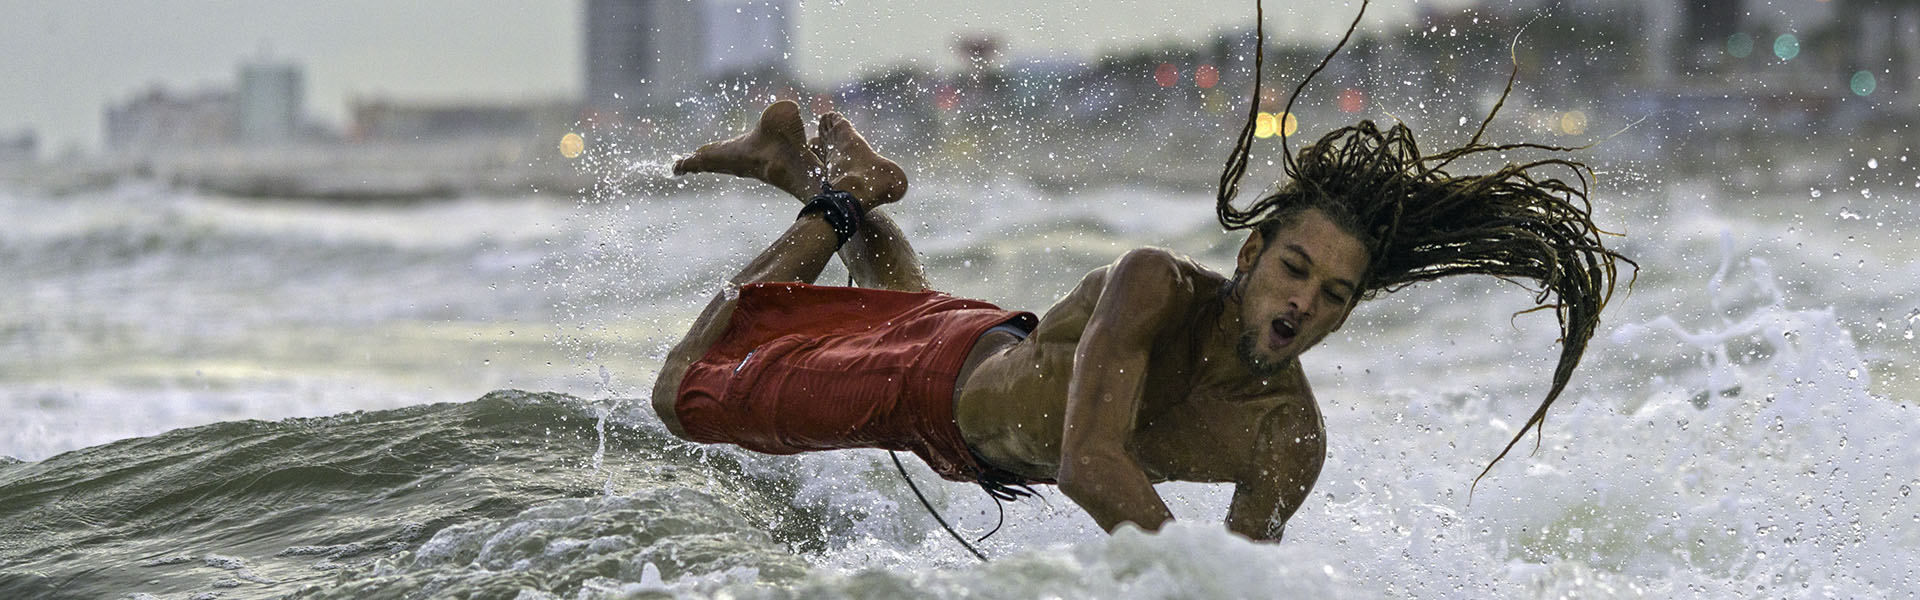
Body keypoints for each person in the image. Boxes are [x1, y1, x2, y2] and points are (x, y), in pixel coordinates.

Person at [649, 93, 1626, 542]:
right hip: (934, 387)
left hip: (980, 387)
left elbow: (1244, 563)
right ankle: (837, 197)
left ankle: (804, 164)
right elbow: (1091, 461)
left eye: (1332, 296)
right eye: (1292, 270)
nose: (1302, 303)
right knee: (684, 393)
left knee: (888, 301)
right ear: (1250, 257)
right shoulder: (1155, 283)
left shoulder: (1289, 437)